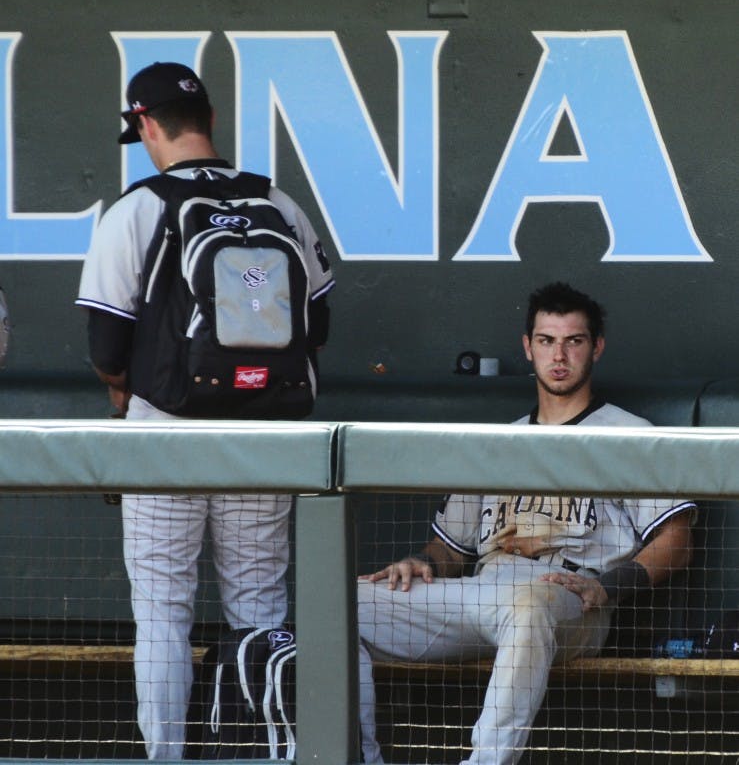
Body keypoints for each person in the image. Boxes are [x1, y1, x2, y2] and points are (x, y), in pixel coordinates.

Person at [75, 62, 334, 760]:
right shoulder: (276, 202)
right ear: (210, 121)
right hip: (264, 432)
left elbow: (105, 340)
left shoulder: (137, 207)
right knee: (258, 609)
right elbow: (319, 321)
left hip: (164, 433)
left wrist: (122, 389)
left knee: (162, 612)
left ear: (146, 126)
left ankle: (168, 759)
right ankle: (263, 751)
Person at [357, 281, 695, 765]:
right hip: (483, 594)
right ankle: (355, 756)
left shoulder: (628, 435)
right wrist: (416, 562)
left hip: (573, 597)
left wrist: (609, 587)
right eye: (546, 341)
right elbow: (449, 551)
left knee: (530, 603)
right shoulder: (499, 443)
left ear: (595, 348)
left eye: (573, 341)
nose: (559, 355)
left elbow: (677, 542)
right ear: (527, 347)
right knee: (343, 606)